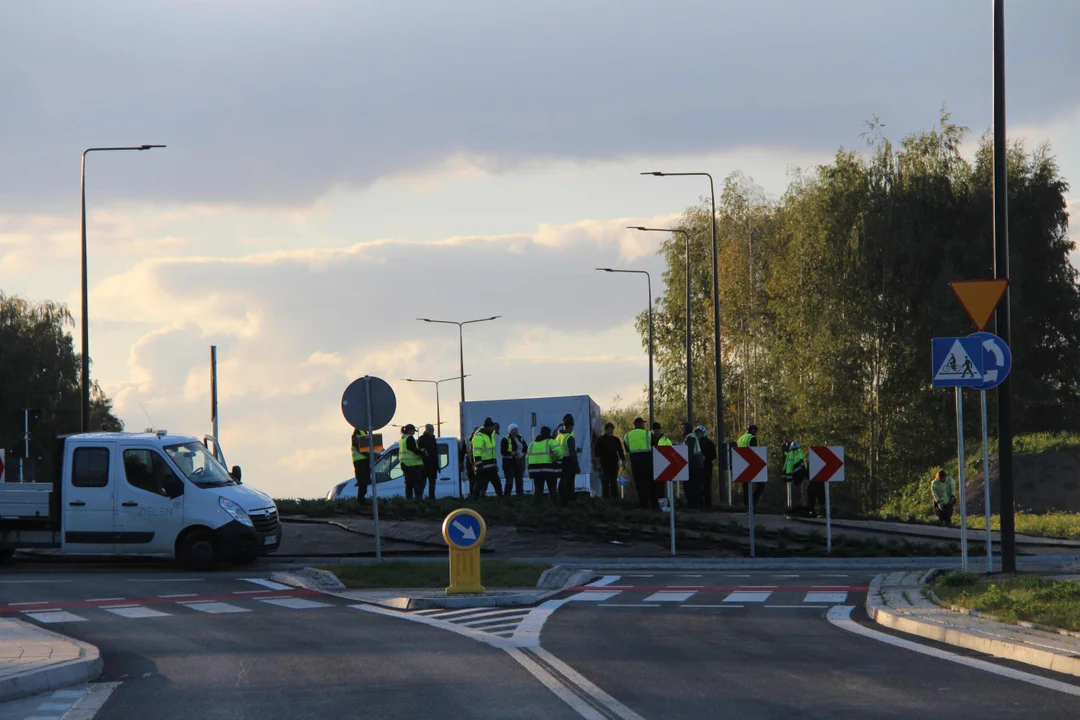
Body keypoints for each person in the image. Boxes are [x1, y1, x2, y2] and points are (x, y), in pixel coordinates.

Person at [623, 417, 654, 509]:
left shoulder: (627, 435)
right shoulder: (648, 433)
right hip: (647, 460)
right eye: (643, 423)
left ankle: (642, 503)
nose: (644, 425)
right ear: (638, 424)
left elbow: (627, 449)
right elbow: (654, 445)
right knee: (649, 482)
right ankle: (650, 504)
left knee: (639, 483)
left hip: (635, 461)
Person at [527, 426, 561, 503]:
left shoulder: (532, 444)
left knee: (538, 490)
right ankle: (555, 506)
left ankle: (537, 508)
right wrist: (558, 460)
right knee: (552, 489)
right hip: (548, 468)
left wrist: (528, 468)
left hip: (534, 470)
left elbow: (527, 458)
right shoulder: (550, 441)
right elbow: (559, 453)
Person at [471, 418, 502, 498]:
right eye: (491, 428)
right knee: (480, 485)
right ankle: (475, 499)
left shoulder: (490, 434)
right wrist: (479, 465)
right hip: (483, 467)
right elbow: (476, 452)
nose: (493, 430)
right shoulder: (479, 437)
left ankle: (501, 499)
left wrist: (495, 465)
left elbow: (496, 428)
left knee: (497, 484)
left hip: (491, 466)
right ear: (487, 427)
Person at [594, 422, 625, 499]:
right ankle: (606, 498)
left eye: (612, 430)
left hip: (614, 464)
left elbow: (620, 451)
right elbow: (596, 453)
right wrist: (598, 464)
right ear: (606, 430)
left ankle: (615, 497)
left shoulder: (616, 440)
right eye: (609, 430)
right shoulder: (601, 440)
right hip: (604, 464)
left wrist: (623, 461)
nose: (610, 431)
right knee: (605, 482)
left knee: (614, 481)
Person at [737, 424, 764, 508]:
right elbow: (755, 452)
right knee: (761, 484)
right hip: (752, 464)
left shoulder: (740, 439)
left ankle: (746, 504)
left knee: (745, 485)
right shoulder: (752, 438)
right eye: (756, 431)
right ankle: (753, 502)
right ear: (753, 431)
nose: (756, 433)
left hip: (741, 463)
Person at [555, 414, 580, 503]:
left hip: (560, 462)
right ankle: (570, 501)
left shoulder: (558, 436)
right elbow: (572, 453)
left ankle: (561, 500)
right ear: (571, 426)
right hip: (569, 462)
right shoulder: (569, 437)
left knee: (562, 482)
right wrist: (577, 466)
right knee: (569, 482)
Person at [398, 425, 425, 500]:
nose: (414, 433)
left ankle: (409, 502)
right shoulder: (409, 438)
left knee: (408, 485)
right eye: (413, 431)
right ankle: (418, 502)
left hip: (405, 465)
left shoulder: (402, 439)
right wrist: (422, 452)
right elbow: (414, 450)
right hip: (412, 465)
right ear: (409, 431)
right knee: (417, 486)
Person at [682, 421, 705, 509]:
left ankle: (692, 507)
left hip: (694, 465)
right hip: (697, 465)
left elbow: (689, 452)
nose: (682, 430)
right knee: (696, 487)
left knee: (691, 487)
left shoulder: (690, 437)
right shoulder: (692, 436)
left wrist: (685, 464)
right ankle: (696, 506)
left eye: (683, 428)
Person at [501, 423, 528, 497]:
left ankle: (520, 496)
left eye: (516, 429)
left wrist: (524, 454)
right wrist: (512, 454)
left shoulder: (520, 438)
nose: (516, 431)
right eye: (514, 429)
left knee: (519, 480)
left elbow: (525, 447)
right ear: (510, 430)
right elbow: (503, 451)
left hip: (519, 462)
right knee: (509, 481)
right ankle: (507, 497)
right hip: (509, 463)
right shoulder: (505, 439)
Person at [783, 440, 809, 514]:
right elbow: (803, 464)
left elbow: (787, 464)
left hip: (793, 476)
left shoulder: (791, 453)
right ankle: (800, 508)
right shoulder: (799, 452)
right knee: (801, 493)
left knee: (797, 493)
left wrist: (786, 475)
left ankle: (795, 508)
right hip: (799, 475)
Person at [696, 425, 717, 509]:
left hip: (707, 467)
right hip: (698, 467)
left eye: (700, 432)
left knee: (706, 486)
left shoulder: (709, 443)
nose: (698, 434)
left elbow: (713, 455)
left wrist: (706, 458)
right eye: (697, 433)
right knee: (698, 487)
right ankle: (700, 504)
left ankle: (708, 505)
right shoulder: (696, 442)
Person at [418, 423, 439, 499]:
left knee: (432, 484)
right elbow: (419, 451)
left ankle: (432, 499)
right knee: (422, 484)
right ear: (427, 430)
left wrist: (437, 466)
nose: (432, 432)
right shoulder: (422, 439)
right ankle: (419, 499)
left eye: (432, 430)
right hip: (424, 465)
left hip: (433, 466)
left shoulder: (433, 439)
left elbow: (435, 453)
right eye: (431, 430)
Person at [653, 422, 672, 507]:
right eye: (655, 430)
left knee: (661, 486)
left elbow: (671, 452)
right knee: (653, 486)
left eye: (658, 430)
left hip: (662, 466)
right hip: (652, 465)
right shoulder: (650, 439)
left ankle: (662, 504)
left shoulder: (666, 440)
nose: (656, 432)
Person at [350, 428, 370, 506]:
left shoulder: (365, 431)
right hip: (359, 461)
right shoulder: (357, 432)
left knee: (365, 482)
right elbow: (358, 446)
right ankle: (360, 502)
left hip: (365, 460)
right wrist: (369, 454)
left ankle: (362, 501)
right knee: (362, 482)